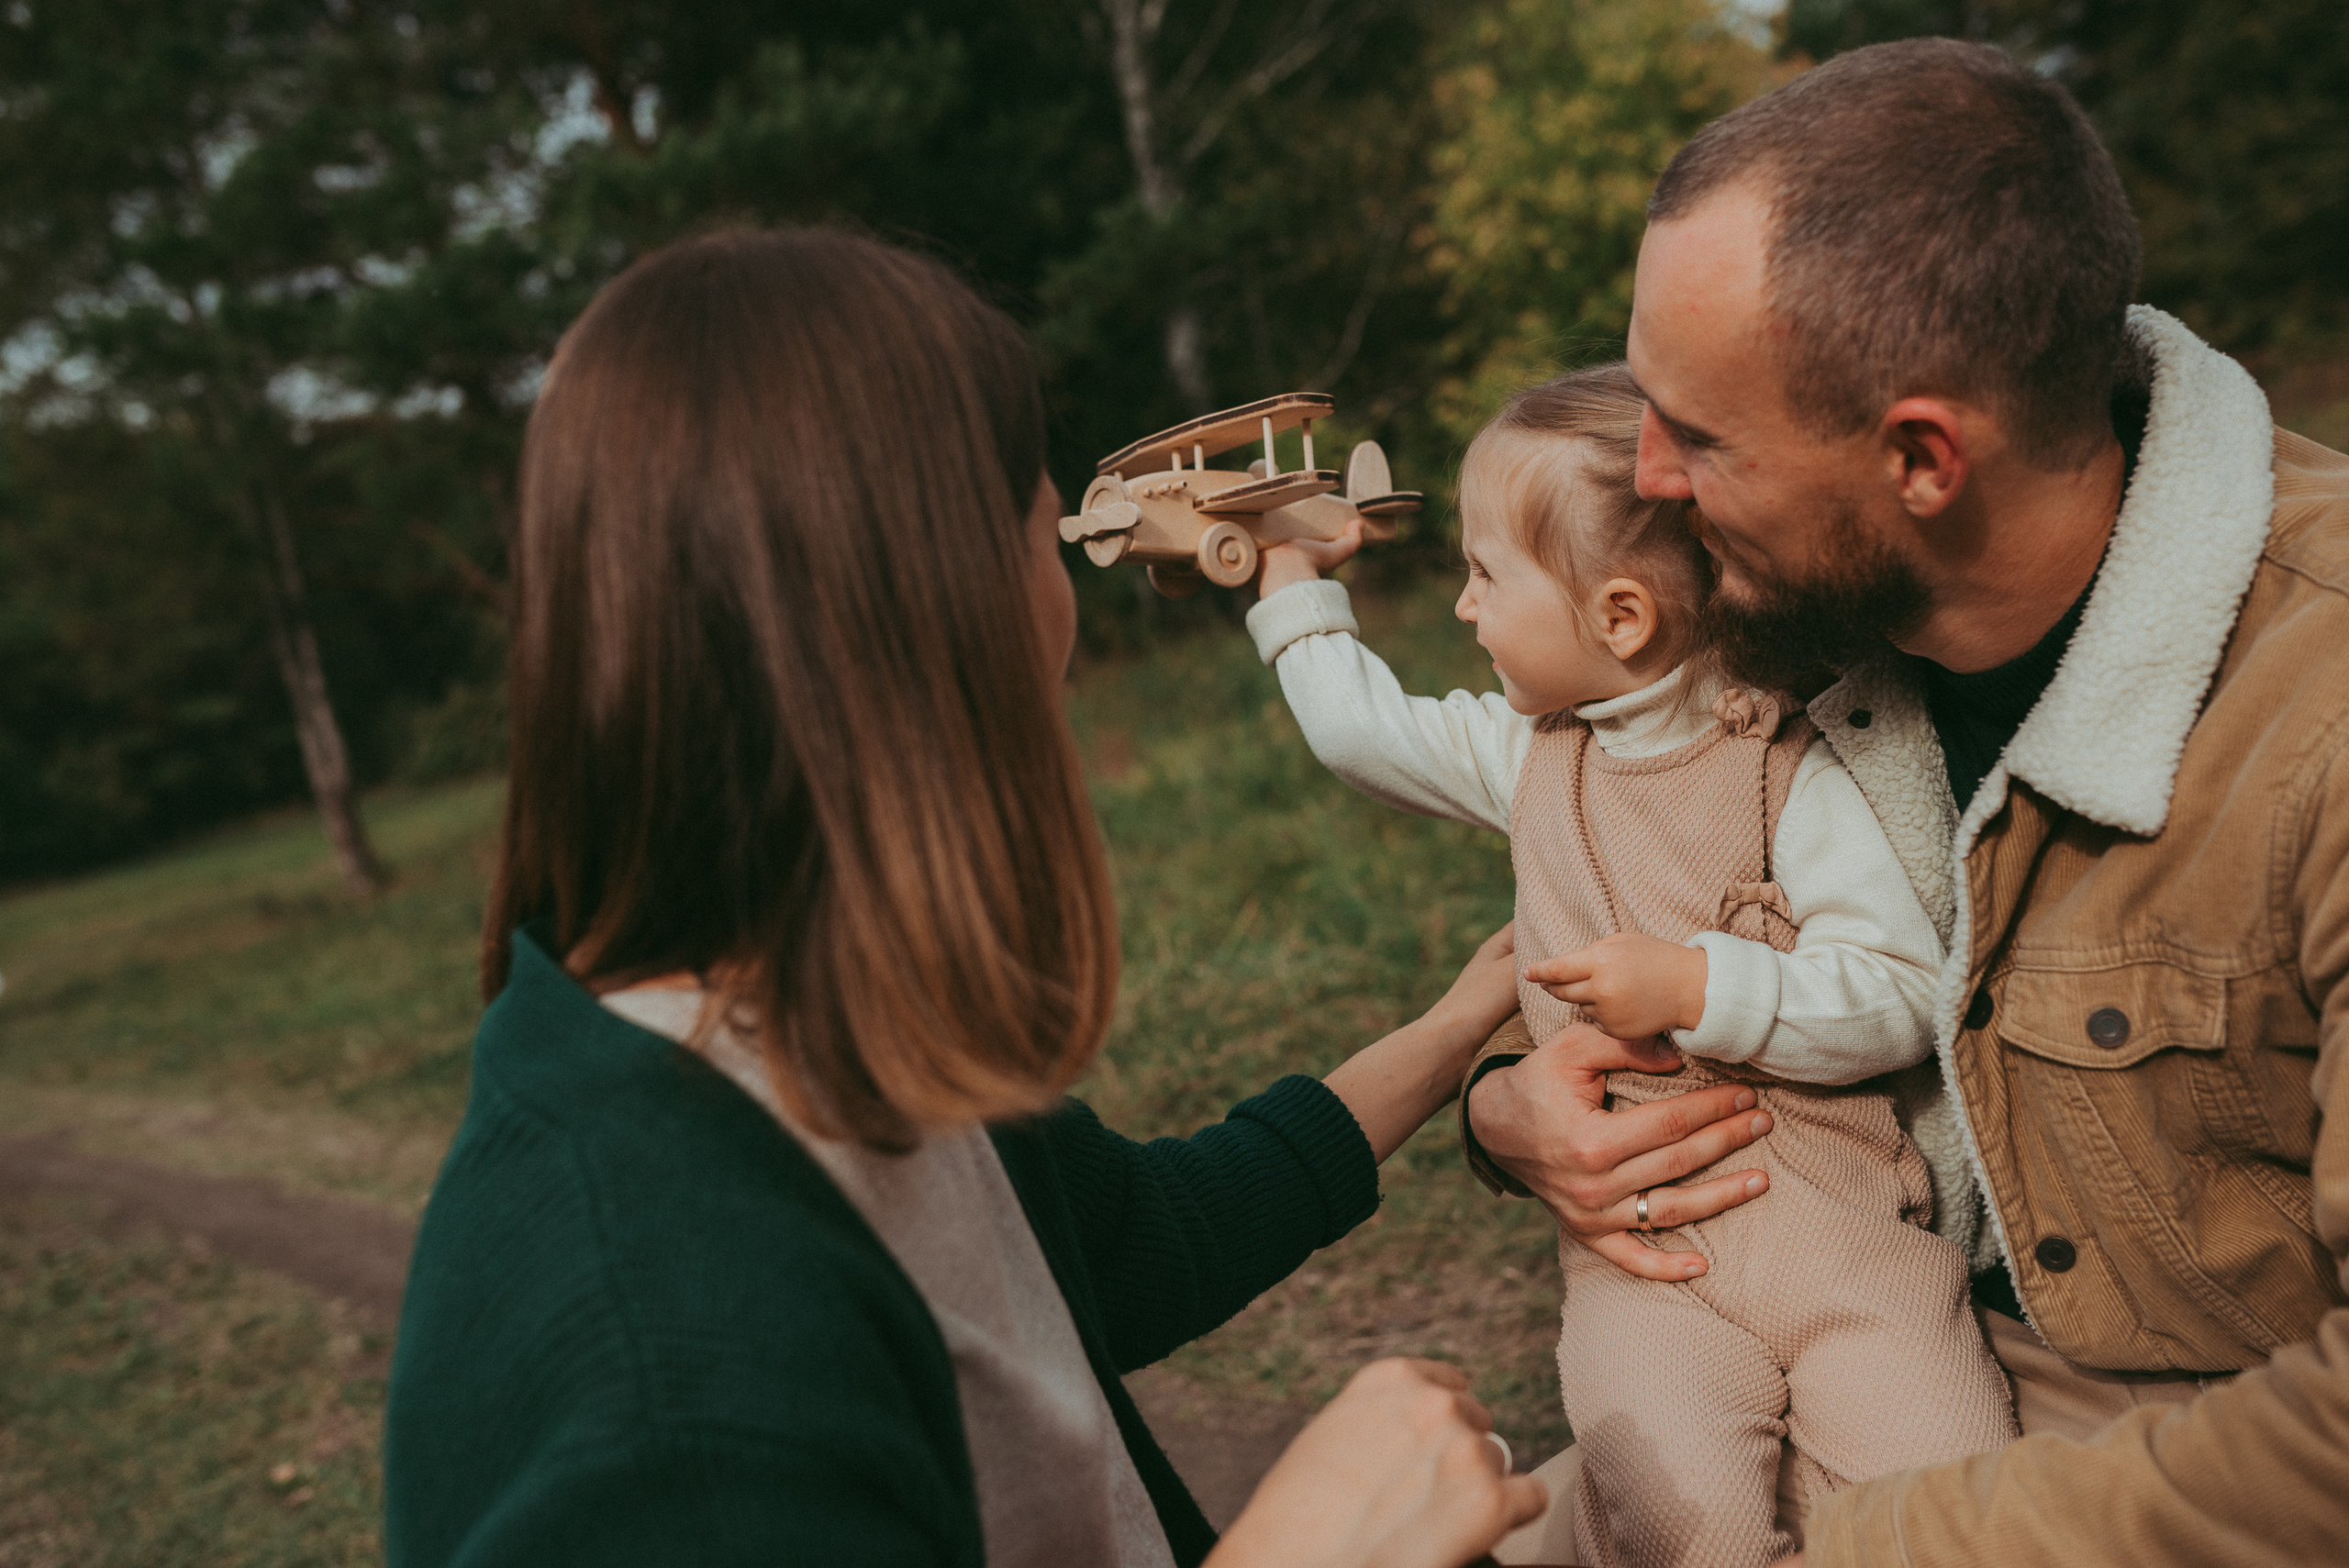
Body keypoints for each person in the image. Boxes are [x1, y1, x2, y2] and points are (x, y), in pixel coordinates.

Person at [381, 227, 1551, 1568]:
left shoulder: (824, 1026)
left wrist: (1461, 1021)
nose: (1067, 580)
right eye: (1040, 524)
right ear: (941, 604)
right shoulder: (670, 1369)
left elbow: (1122, 1250)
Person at [1464, 37, 2349, 1568]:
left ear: (1922, 457)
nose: (1649, 479)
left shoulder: (2318, 716)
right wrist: (1506, 1106)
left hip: (2173, 1466)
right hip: (1830, 1333)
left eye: (1702, 435)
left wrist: (1891, 1544)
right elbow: (1612, 861)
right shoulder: (1801, 603)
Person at [1244, 362, 2013, 1567]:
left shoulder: (1791, 765)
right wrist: (1289, 582)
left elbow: (1902, 992)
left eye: (1485, 575)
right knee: (1675, 1517)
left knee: (1944, 1499)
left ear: (1619, 617)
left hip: (1853, 1244)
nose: (1462, 607)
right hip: (1649, 1271)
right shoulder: (1529, 754)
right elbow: (1361, 730)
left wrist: (1707, 987)